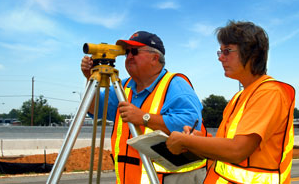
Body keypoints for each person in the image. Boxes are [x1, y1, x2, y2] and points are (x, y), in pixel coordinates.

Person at [166, 21, 296, 184]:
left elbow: (238, 150)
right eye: (220, 52)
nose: (221, 58)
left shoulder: (269, 93)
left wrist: (186, 140)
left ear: (252, 54)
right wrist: (199, 140)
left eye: (227, 51)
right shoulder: (239, 97)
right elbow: (227, 146)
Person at [81, 31, 207, 184]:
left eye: (134, 51)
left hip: (171, 178)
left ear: (155, 58)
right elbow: (96, 109)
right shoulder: (123, 87)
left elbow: (191, 124)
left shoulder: (175, 84)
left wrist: (144, 118)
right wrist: (89, 78)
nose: (129, 57)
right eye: (127, 53)